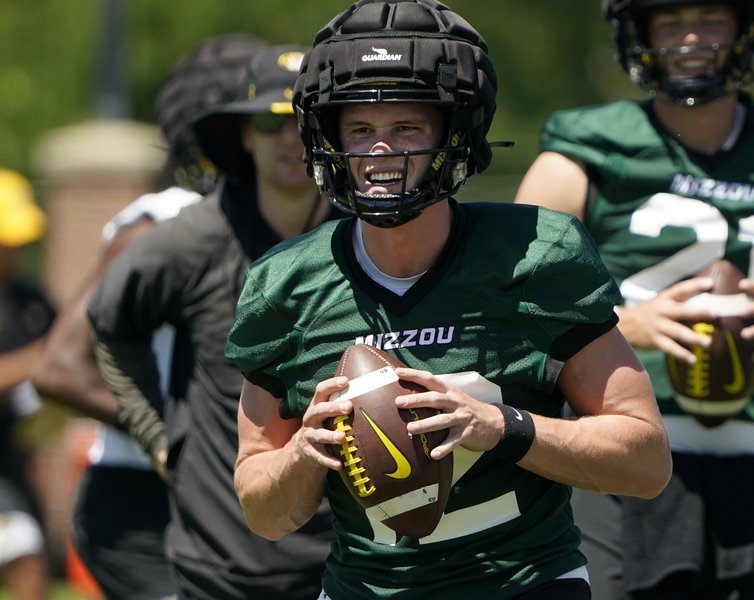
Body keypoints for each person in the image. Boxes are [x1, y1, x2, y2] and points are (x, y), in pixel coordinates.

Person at [225, 1, 671, 599]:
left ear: (453, 133)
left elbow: (644, 463)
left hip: (524, 583)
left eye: (407, 127)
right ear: (327, 140)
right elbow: (263, 511)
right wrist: (304, 456)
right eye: (360, 129)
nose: (381, 150)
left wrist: (502, 427)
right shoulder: (286, 284)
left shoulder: (535, 255)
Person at [515, 0, 754, 598]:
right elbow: (512, 308)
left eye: (712, 19)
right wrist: (626, 325)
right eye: (671, 22)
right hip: (621, 453)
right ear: (639, 33)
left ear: (747, 29)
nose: (691, 38)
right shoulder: (583, 150)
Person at [86, 44, 336, 600]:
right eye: (268, 124)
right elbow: (108, 324)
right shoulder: (191, 240)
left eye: (302, 123)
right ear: (242, 137)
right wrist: (161, 439)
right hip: (218, 564)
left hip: (340, 561)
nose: (287, 139)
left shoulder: (360, 238)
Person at [31, 32, 267, 600]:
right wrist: (176, 438)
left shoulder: (278, 223)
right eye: (263, 118)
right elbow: (60, 367)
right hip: (143, 502)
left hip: (234, 497)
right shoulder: (163, 223)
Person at [0, 167, 53, 600]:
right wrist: (38, 359)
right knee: (23, 551)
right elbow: (49, 356)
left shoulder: (29, 300)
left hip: (14, 460)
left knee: (31, 556)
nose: (13, 249)